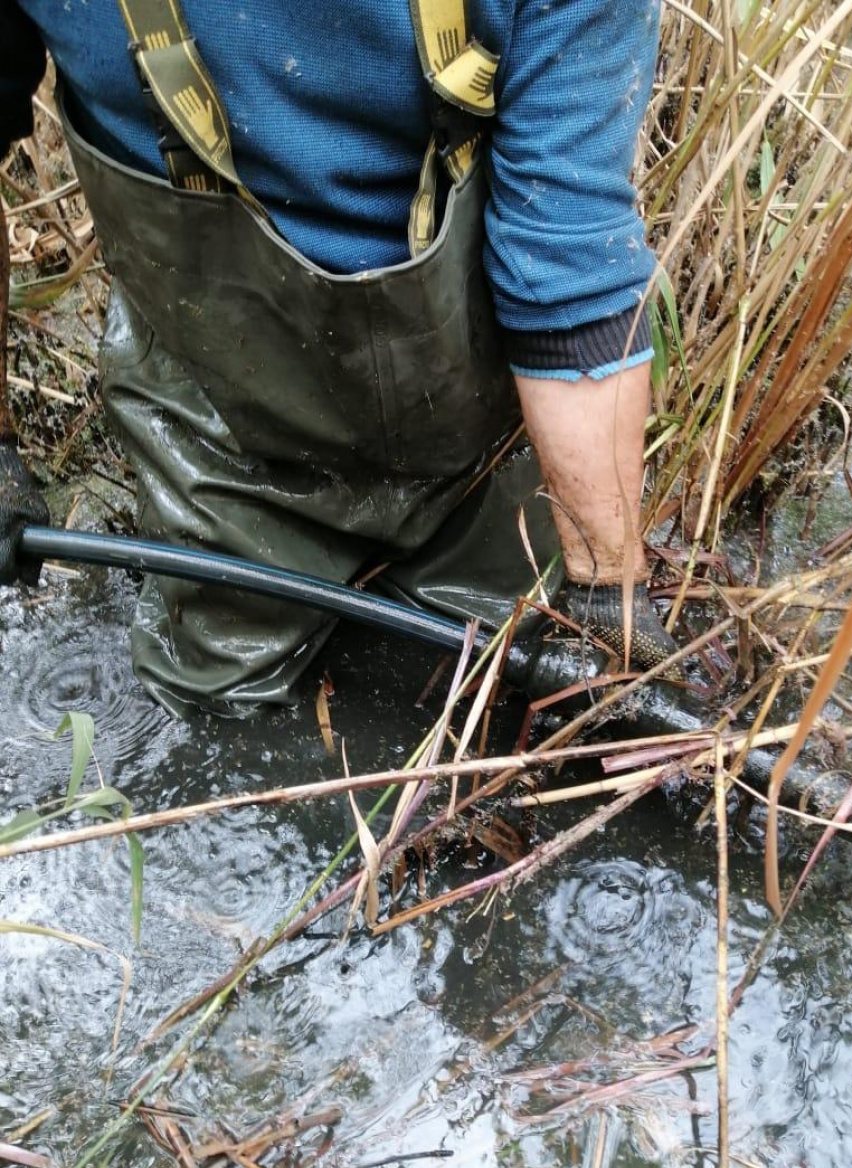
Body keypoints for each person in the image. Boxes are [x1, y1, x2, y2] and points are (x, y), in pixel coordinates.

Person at [0, 0, 675, 717]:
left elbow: (569, 267)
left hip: (487, 449)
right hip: (218, 440)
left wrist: (606, 597)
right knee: (215, 730)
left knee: (532, 712)